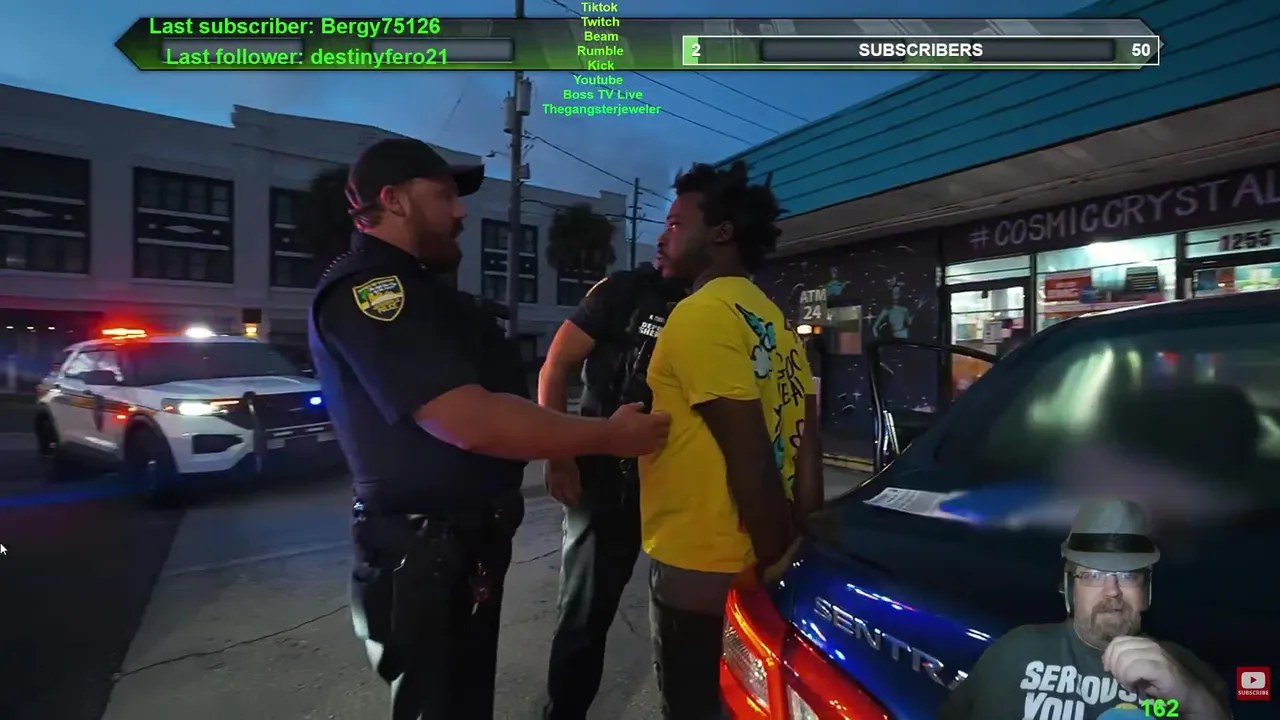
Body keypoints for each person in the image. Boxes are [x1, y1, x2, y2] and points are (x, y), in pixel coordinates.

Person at [307, 137, 671, 720]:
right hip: (424, 555)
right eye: (443, 195)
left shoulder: (421, 290)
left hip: (456, 552)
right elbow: (469, 420)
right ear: (393, 200)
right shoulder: (374, 292)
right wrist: (609, 436)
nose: (459, 212)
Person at [640, 161, 825, 718]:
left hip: (703, 573)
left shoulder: (700, 315)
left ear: (721, 233)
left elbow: (752, 462)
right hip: (767, 562)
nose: (662, 237)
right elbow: (806, 451)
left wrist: (771, 569)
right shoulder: (778, 324)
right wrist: (797, 555)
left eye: (676, 223)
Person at [538, 260, 689, 719]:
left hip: (682, 480)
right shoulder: (622, 292)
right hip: (607, 479)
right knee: (584, 616)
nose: (663, 237)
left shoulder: (713, 302)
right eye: (666, 225)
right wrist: (559, 455)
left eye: (677, 226)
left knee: (684, 619)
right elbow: (555, 366)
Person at [938, 499, 1231, 720]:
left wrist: (1191, 697)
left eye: (1127, 575)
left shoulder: (1184, 669)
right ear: (1069, 587)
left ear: (1146, 590)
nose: (1112, 590)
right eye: (1093, 574)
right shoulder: (1013, 652)